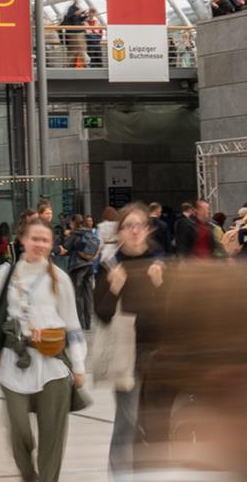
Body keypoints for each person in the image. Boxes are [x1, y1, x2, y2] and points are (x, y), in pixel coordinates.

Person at [0, 219, 87, 482]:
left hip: (53, 366)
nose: (39, 244)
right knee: (20, 431)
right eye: (34, 238)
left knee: (52, 435)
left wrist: (79, 364)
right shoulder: (6, 273)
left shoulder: (59, 279)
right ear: (23, 240)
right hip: (14, 361)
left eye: (45, 240)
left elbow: (72, 325)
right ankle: (29, 476)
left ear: (52, 244)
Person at [93, 203, 169, 475]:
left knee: (158, 421)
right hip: (125, 353)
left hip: (159, 353)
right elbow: (100, 315)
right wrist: (114, 289)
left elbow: (172, 313)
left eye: (140, 225)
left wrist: (160, 286)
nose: (134, 231)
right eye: (128, 226)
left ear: (148, 229)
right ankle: (122, 475)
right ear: (119, 232)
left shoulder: (160, 262)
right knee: (129, 418)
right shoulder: (110, 265)